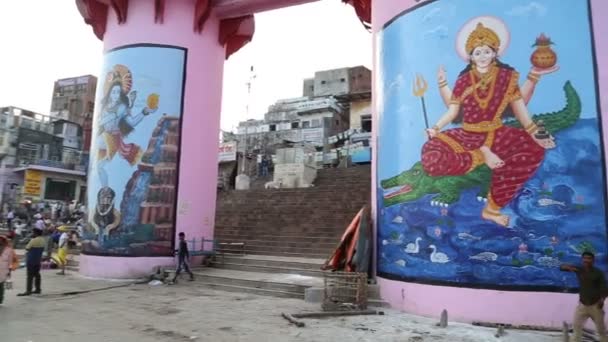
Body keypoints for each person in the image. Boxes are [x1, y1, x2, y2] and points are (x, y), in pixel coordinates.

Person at [422, 21, 555, 227]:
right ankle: (480, 154)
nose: (482, 56)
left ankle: (492, 209)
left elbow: (518, 106)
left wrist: (533, 131)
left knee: (533, 149)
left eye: (486, 51)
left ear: (495, 53)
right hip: (467, 135)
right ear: (471, 56)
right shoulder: (464, 80)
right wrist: (436, 128)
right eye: (477, 53)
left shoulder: (506, 77)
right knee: (431, 155)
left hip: (497, 133)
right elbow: (453, 110)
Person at [561, 252, 608, 342]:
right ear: (582, 259)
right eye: (584, 258)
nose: (586, 260)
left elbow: (604, 288)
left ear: (593, 260)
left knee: (601, 331)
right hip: (582, 305)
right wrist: (566, 267)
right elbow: (561, 267)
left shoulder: (598, 273)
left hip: (596, 306)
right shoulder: (579, 269)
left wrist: (602, 300)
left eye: (589, 258)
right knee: (576, 328)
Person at [17, 228, 45, 296]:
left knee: (30, 276)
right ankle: (38, 289)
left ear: (35, 233)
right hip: (38, 260)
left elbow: (27, 248)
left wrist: (29, 240)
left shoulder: (33, 240)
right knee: (37, 274)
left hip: (31, 260)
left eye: (33, 232)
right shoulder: (43, 240)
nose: (32, 233)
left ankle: (28, 291)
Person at [0, 236, 13, 305]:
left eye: (1, 240)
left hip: (3, 269)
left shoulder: (9, 250)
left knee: (1, 284)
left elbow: (10, 261)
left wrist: (9, 271)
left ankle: (0, 298)